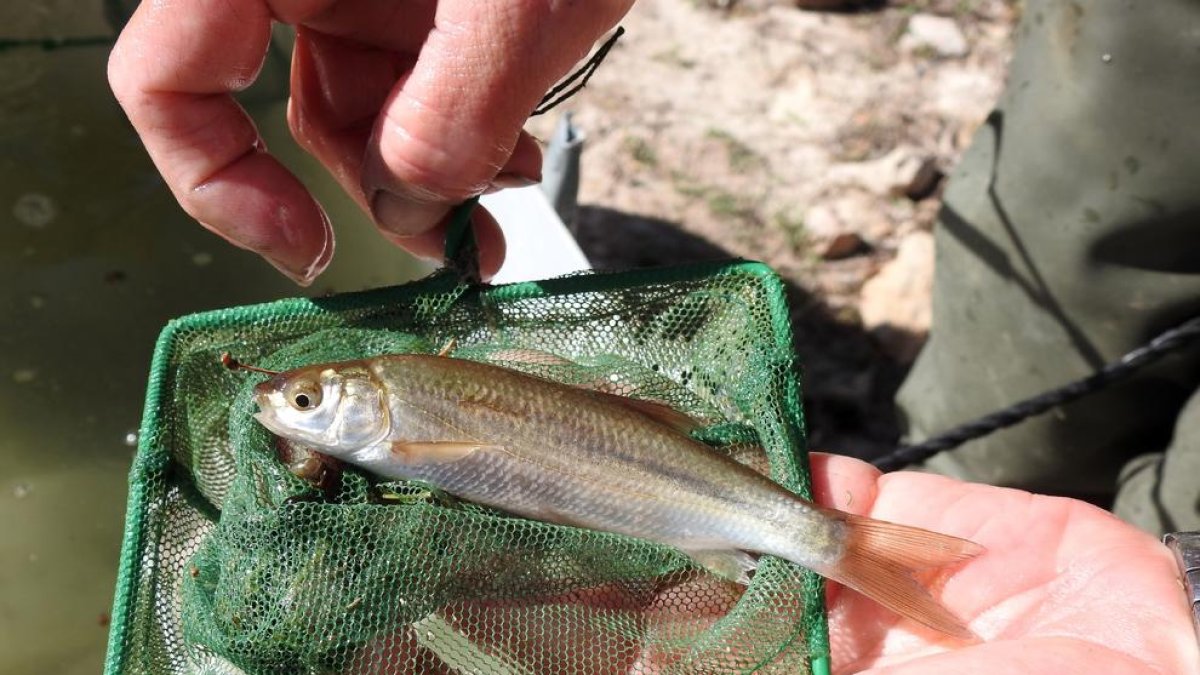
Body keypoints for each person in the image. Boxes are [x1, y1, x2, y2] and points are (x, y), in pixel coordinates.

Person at [107, 0, 1200, 672]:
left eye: (307, 402)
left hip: (716, 502)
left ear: (368, 406)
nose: (293, 412)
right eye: (304, 404)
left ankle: (1121, 536)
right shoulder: (397, 412)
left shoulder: (401, 419)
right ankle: (1086, 522)